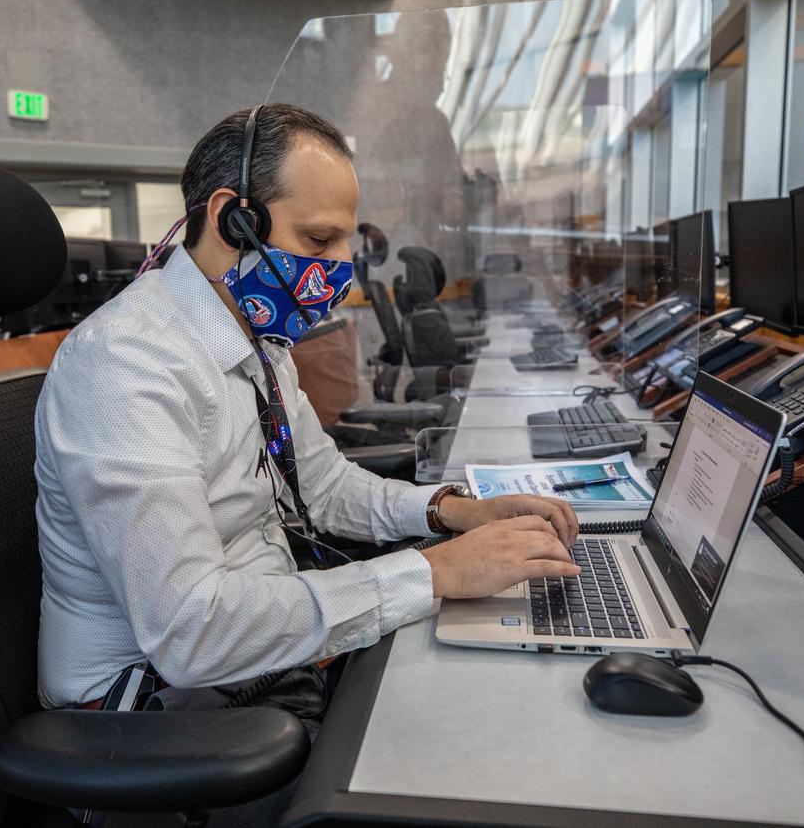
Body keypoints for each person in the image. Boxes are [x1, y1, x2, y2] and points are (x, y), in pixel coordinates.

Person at [33, 104, 580, 723]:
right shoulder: (125, 363)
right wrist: (434, 571)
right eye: (320, 240)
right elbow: (192, 632)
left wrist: (449, 509)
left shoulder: (258, 340)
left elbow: (323, 484)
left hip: (263, 640)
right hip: (150, 701)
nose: (342, 269)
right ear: (231, 220)